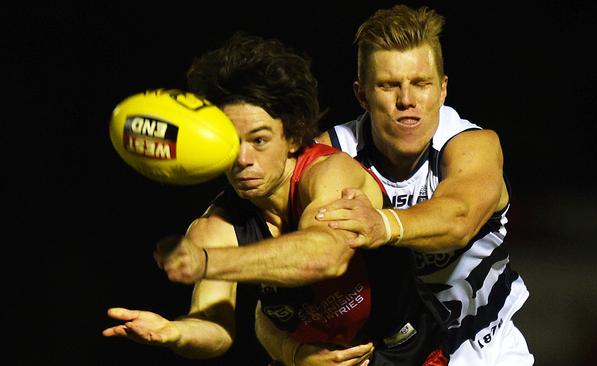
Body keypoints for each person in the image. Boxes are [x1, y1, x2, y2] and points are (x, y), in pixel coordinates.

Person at [107, 32, 449, 366]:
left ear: (293, 136)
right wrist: (173, 333)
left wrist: (209, 262)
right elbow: (216, 330)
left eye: (259, 140)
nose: (242, 159)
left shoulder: (330, 172)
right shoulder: (215, 228)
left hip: (416, 357)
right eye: (230, 142)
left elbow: (326, 254)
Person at [304, 4, 534, 366]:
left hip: (481, 348)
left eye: (421, 84)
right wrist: (291, 350)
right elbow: (275, 297)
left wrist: (382, 224)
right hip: (382, 356)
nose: (407, 100)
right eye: (389, 85)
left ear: (442, 90)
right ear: (362, 95)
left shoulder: (473, 146)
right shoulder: (328, 156)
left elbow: (458, 218)